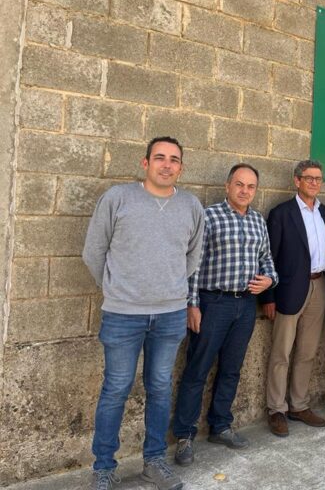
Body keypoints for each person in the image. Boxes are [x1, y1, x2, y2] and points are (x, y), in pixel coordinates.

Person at [83, 137, 204, 490]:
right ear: (145, 162)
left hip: (170, 314)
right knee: (116, 389)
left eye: (174, 159)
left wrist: (171, 288)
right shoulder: (118, 198)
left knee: (160, 388)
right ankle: (104, 468)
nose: (167, 164)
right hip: (123, 314)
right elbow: (94, 251)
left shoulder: (191, 205)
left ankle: (154, 462)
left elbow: (193, 256)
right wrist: (118, 288)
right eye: (160, 157)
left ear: (181, 167)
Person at [172, 164, 277, 465]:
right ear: (227, 186)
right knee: (197, 368)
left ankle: (220, 425)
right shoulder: (209, 216)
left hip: (245, 306)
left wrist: (270, 280)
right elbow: (193, 264)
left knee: (232, 368)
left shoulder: (258, 220)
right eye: (239, 184)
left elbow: (266, 259)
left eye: (251, 186)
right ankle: (184, 435)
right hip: (213, 303)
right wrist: (192, 304)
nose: (245, 191)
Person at [263, 160, 325, 437]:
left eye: (318, 178)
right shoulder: (281, 213)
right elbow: (269, 257)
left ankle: (298, 405)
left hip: (319, 285)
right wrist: (269, 296)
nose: (314, 182)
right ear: (297, 180)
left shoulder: (324, 211)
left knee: (307, 351)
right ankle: (276, 409)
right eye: (309, 178)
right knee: (281, 352)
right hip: (289, 289)